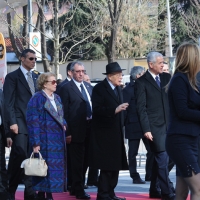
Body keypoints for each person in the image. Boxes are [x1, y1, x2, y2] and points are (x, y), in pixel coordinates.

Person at [135, 52, 175, 200]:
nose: (162, 65)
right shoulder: (141, 82)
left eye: (163, 62)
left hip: (169, 126)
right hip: (154, 128)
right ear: (150, 65)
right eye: (159, 62)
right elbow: (141, 108)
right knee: (162, 157)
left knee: (169, 158)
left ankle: (154, 189)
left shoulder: (167, 78)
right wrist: (146, 129)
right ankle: (167, 192)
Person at [3, 49, 40, 200]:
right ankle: (9, 190)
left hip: (34, 124)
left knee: (32, 158)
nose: (33, 61)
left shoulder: (37, 77)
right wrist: (12, 122)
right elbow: (8, 103)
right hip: (19, 124)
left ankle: (30, 193)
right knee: (19, 157)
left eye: (35, 59)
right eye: (31, 58)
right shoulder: (12, 77)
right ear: (22, 59)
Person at [89, 62, 129, 200]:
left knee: (115, 166)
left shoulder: (118, 88)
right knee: (106, 166)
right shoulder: (99, 89)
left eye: (121, 74)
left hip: (116, 132)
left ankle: (111, 193)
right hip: (104, 134)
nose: (121, 77)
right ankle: (103, 194)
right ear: (110, 76)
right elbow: (97, 110)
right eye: (118, 75)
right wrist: (114, 110)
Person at [166, 42, 200, 200]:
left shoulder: (190, 80)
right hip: (180, 140)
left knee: (181, 192)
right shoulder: (180, 80)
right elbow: (182, 111)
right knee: (198, 189)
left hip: (190, 139)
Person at [26, 72, 67, 200]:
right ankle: (41, 195)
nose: (56, 84)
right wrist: (35, 142)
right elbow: (33, 121)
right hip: (45, 140)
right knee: (43, 169)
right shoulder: (37, 98)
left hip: (57, 140)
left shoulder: (57, 98)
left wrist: (64, 124)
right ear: (44, 84)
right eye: (53, 82)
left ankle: (49, 194)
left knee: (53, 171)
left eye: (56, 82)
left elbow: (61, 116)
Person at [60, 61, 93, 199]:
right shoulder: (66, 88)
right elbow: (64, 112)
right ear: (71, 72)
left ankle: (75, 186)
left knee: (86, 160)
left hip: (89, 129)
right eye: (78, 71)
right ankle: (78, 189)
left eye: (83, 71)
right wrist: (67, 133)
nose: (81, 74)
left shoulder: (88, 86)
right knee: (77, 162)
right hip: (75, 131)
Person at [123, 66, 154, 184]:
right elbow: (124, 108)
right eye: (143, 73)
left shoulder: (146, 86)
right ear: (137, 76)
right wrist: (124, 124)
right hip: (133, 125)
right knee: (132, 153)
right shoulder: (127, 90)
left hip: (145, 125)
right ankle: (134, 175)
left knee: (151, 150)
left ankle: (149, 174)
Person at [0, 89, 12, 200]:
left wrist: (7, 134)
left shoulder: (0, 92)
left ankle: (3, 191)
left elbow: (4, 113)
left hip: (0, 132)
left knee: (1, 164)